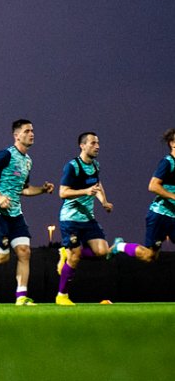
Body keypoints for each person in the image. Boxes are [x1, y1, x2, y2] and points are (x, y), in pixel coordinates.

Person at [0, 119, 54, 305]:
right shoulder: (6, 154)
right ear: (16, 135)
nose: (31, 134)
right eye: (27, 131)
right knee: (1, 258)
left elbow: (24, 189)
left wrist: (42, 189)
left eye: (32, 130)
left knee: (24, 252)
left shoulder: (28, 161)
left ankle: (21, 297)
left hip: (16, 215)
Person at [55, 131, 114, 306]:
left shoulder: (96, 165)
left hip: (88, 219)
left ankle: (66, 252)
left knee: (103, 252)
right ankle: (62, 295)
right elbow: (62, 192)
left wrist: (104, 202)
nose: (97, 146)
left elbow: (97, 185)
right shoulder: (72, 166)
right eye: (93, 143)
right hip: (70, 219)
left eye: (98, 143)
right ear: (82, 146)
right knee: (75, 256)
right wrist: (85, 191)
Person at [109, 128, 175, 264]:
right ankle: (119, 246)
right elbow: (153, 186)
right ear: (172, 143)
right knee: (149, 256)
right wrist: (173, 197)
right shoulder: (168, 162)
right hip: (160, 215)